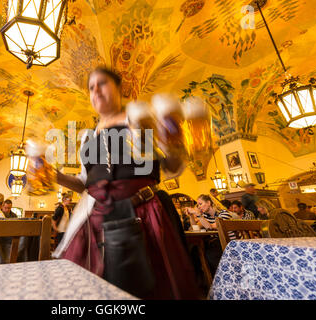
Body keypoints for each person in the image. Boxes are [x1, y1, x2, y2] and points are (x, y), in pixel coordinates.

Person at [52, 67, 198, 299]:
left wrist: (175, 143)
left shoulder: (142, 118)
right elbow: (84, 183)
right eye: (91, 87)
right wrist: (55, 176)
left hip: (145, 213)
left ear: (120, 89)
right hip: (96, 219)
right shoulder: (87, 138)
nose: (96, 90)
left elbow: (171, 165)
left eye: (102, 83)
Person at [185, 194, 234, 276]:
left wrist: (198, 215)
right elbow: (194, 228)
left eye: (200, 204)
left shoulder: (223, 213)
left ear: (208, 203)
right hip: (215, 242)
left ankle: (223, 277)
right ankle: (205, 280)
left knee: (210, 254)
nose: (199, 207)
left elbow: (211, 227)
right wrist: (191, 216)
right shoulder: (206, 217)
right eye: (198, 205)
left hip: (227, 242)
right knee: (193, 251)